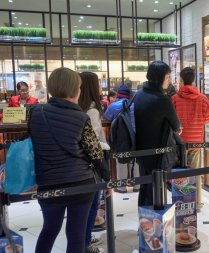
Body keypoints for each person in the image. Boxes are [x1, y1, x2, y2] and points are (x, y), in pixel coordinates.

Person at [30, 67, 105, 253]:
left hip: (48, 184)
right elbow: (95, 153)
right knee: (76, 234)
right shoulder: (81, 117)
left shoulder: (35, 113)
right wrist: (107, 177)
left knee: (49, 229)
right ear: (74, 89)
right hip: (81, 184)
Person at [134, 61, 181, 206]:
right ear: (160, 78)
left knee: (145, 187)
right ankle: (154, 225)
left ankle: (145, 224)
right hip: (158, 153)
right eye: (167, 77)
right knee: (155, 190)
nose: (169, 80)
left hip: (141, 151)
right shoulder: (162, 100)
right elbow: (177, 125)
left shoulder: (139, 94)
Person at [79, 72, 110, 253]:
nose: (100, 87)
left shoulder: (78, 108)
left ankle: (83, 240)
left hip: (80, 166)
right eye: (98, 83)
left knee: (84, 207)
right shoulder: (91, 110)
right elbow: (93, 143)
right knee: (91, 206)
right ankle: (85, 243)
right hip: (92, 166)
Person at [172, 67, 209, 211]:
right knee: (195, 172)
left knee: (180, 172)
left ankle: (181, 203)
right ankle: (197, 204)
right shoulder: (202, 98)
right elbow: (207, 119)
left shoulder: (175, 98)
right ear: (193, 79)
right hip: (196, 141)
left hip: (180, 142)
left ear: (181, 80)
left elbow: (172, 120)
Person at [103, 83, 139, 193]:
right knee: (136, 160)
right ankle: (137, 186)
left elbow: (106, 118)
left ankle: (121, 187)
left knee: (121, 161)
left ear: (118, 95)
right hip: (135, 136)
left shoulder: (113, 106)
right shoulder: (136, 105)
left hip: (121, 137)